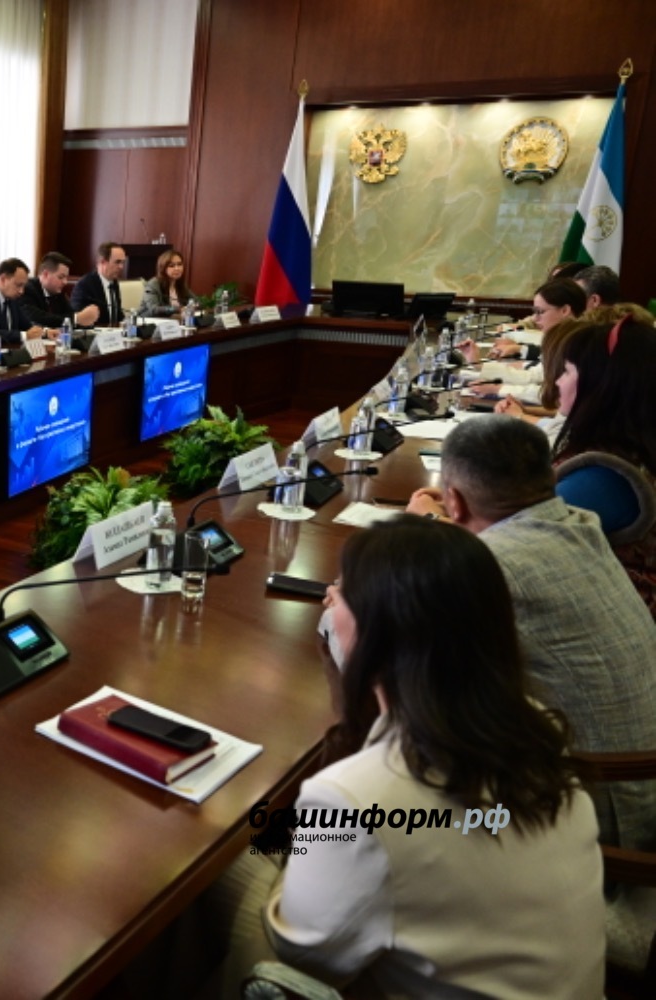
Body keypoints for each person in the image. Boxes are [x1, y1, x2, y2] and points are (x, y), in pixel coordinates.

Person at [242, 518, 604, 997]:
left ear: (371, 634)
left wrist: (297, 842)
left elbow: (306, 955)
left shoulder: (353, 796)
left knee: (237, 875)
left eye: (342, 592)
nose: (329, 598)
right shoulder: (538, 727)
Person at [406, 415, 656, 851]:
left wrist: (339, 614)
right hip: (638, 784)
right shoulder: (578, 523)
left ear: (455, 502)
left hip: (602, 810)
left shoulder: (497, 565)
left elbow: (394, 661)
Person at [547, 317, 656, 614]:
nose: (558, 381)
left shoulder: (604, 479)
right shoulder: (630, 451)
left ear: (600, 385)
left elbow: (514, 546)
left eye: (567, 371)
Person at [491, 277, 586, 360]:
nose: (535, 319)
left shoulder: (581, 343)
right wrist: (518, 348)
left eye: (540, 311)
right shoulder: (564, 337)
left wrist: (518, 349)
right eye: (535, 312)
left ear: (565, 310)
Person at [20, 252, 99, 329]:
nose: (65, 282)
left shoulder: (58, 293)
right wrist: (76, 319)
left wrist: (87, 320)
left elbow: (69, 315)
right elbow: (38, 318)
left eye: (66, 277)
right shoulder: (27, 289)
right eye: (61, 277)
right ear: (45, 274)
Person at [69, 242, 128, 326]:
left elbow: (117, 315)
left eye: (123, 262)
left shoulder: (114, 283)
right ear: (103, 262)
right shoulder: (85, 285)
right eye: (117, 262)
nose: (121, 267)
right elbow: (77, 318)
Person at [137, 249, 194, 316]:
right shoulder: (153, 284)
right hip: (149, 320)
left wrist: (193, 307)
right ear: (163, 268)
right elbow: (154, 309)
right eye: (172, 266)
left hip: (173, 321)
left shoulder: (179, 284)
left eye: (179, 264)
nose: (177, 268)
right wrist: (178, 309)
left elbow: (196, 302)